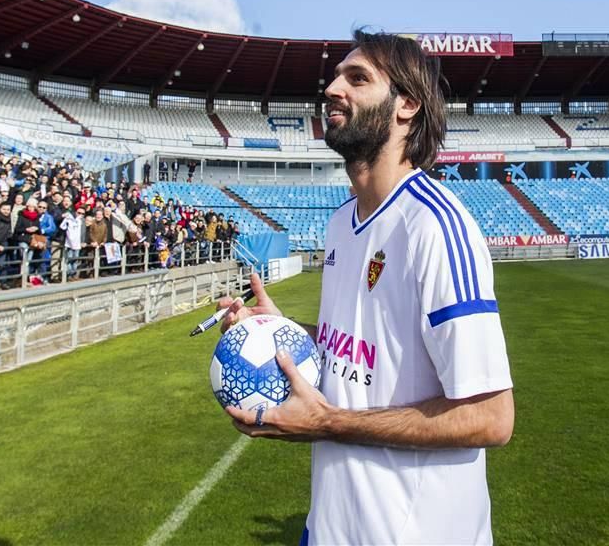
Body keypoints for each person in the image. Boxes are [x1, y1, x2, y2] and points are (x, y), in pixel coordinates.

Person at [215, 30, 514, 546]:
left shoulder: (435, 225)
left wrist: (331, 422)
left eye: (357, 78)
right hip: (333, 526)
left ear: (407, 105)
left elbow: (490, 416)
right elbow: (362, 345)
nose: (332, 88)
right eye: (334, 76)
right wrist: (276, 330)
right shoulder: (340, 224)